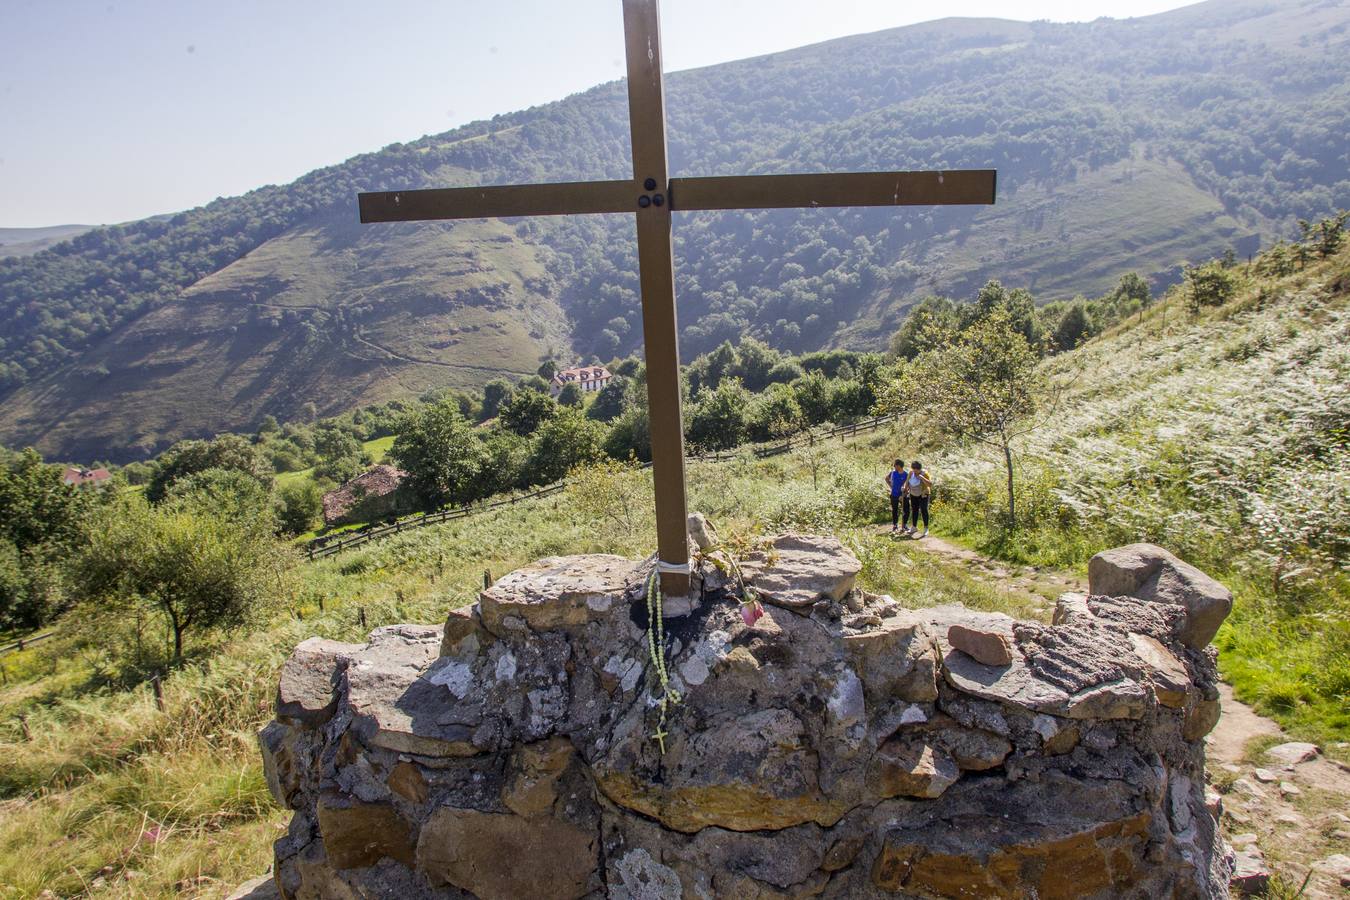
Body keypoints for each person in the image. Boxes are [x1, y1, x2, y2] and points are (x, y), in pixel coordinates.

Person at [904, 461, 932, 537]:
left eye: (917, 470)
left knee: (924, 510)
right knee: (914, 510)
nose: (915, 471)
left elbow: (930, 484)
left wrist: (922, 478)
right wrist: (905, 489)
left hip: (923, 494)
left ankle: (926, 528)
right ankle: (914, 527)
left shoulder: (925, 474)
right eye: (914, 469)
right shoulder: (911, 473)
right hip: (913, 494)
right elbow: (907, 482)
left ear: (920, 469)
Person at [884, 459, 908, 532]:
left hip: (903, 495)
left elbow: (908, 485)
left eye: (895, 465)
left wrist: (903, 494)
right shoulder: (892, 473)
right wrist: (891, 486)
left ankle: (904, 525)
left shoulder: (906, 474)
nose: (894, 467)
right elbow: (886, 478)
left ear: (899, 466)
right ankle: (895, 525)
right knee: (895, 510)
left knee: (906, 510)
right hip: (894, 495)